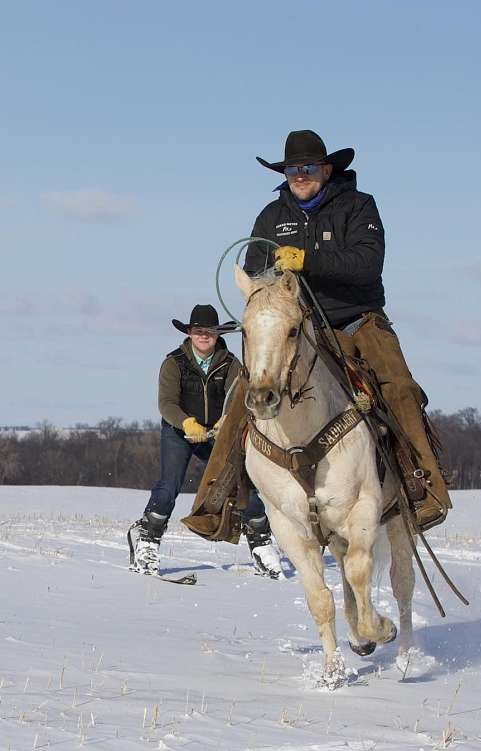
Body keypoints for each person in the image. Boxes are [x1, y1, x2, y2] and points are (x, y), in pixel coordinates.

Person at [183, 130, 451, 537]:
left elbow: (366, 263)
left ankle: (423, 488)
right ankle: (214, 503)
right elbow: (256, 274)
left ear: (327, 169)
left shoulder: (358, 207)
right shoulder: (271, 217)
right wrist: (270, 282)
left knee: (398, 387)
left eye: (308, 168)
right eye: (293, 169)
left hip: (355, 320)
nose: (300, 175)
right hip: (296, 327)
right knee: (245, 392)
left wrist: (310, 259)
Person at [131, 303, 283, 579]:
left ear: (217, 335)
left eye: (209, 332)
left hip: (217, 435)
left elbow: (237, 398)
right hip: (179, 433)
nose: (204, 336)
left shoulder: (231, 364)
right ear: (189, 333)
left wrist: (226, 421)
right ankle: (146, 539)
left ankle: (261, 543)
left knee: (240, 482)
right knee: (169, 486)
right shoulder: (173, 363)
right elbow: (166, 403)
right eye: (199, 331)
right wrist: (186, 422)